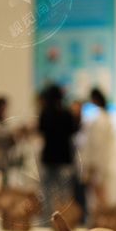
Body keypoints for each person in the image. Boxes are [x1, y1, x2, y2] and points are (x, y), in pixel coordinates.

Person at [38, 85, 80, 221]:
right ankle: (64, 222)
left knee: (46, 193)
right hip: (64, 157)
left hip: (48, 157)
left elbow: (41, 131)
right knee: (64, 193)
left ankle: (46, 222)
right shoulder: (66, 113)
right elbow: (73, 131)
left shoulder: (45, 113)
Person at [78, 88, 114, 210]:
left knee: (99, 192)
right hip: (102, 161)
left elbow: (97, 144)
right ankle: (104, 215)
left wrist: (92, 163)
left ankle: (106, 216)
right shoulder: (104, 118)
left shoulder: (100, 120)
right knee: (98, 192)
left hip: (98, 162)